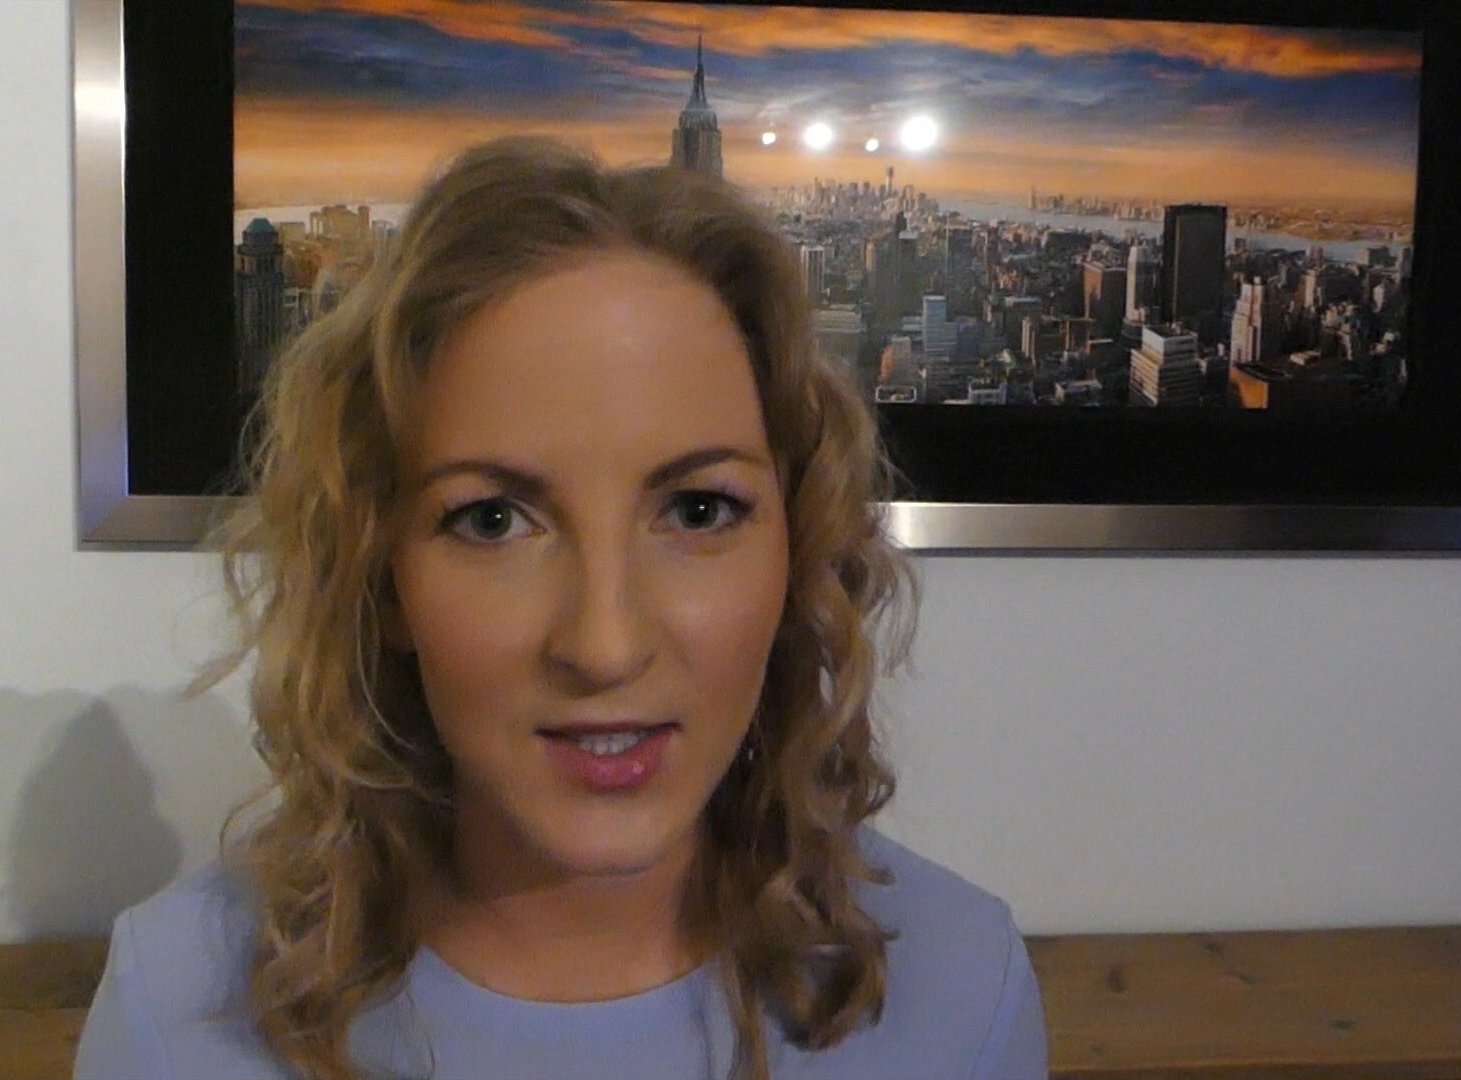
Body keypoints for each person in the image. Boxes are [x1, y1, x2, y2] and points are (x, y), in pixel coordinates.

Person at [75, 135, 1047, 1080]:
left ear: (797, 551)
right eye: (493, 520)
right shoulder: (179, 1015)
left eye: (698, 510)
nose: (605, 645)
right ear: (382, 577)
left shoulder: (959, 994)